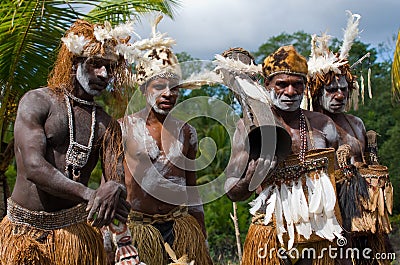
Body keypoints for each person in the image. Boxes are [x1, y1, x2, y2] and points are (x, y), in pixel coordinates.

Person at [0, 19, 139, 265]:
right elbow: (33, 166)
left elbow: (115, 180)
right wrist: (90, 194)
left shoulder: (108, 126)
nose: (104, 74)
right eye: (95, 64)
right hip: (23, 232)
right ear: (75, 62)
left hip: (74, 236)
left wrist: (115, 190)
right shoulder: (38, 101)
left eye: (109, 67)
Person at [225, 45, 345, 265]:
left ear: (305, 87)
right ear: (266, 85)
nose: (290, 92)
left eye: (297, 84)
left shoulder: (323, 125)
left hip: (318, 235)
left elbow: (340, 185)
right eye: (281, 84)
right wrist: (252, 174)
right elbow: (233, 192)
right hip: (270, 235)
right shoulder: (249, 128)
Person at [119, 15, 212, 265]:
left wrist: (200, 237)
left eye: (174, 87)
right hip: (139, 229)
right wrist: (118, 240)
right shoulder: (123, 129)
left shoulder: (187, 132)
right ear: (144, 88)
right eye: (159, 86)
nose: (168, 94)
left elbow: (192, 189)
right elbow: (112, 187)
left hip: (180, 227)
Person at [307, 11, 393, 265]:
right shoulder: (310, 126)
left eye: (344, 89)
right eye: (331, 90)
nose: (339, 95)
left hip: (366, 211)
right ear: (317, 90)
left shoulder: (356, 123)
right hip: (333, 216)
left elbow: (366, 162)